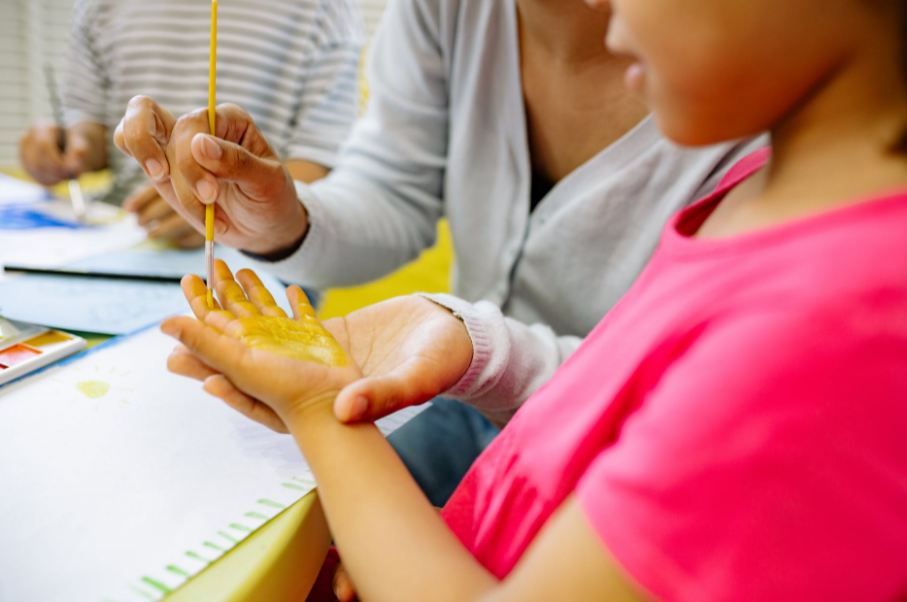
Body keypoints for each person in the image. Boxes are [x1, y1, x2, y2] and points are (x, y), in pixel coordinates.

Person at [160, 0, 907, 596]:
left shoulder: (825, 317)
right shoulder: (769, 196)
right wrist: (413, 534)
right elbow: (627, 399)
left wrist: (320, 408)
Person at [113, 0, 759, 505]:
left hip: (617, 458)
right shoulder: (442, 10)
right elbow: (393, 187)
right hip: (465, 399)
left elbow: (697, 409)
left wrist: (474, 348)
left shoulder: (769, 102)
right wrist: (282, 220)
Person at [19, 0, 361, 248]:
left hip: (257, 256)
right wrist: (70, 146)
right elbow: (89, 121)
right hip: (122, 241)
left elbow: (322, 161)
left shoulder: (325, 9)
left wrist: (232, 207)